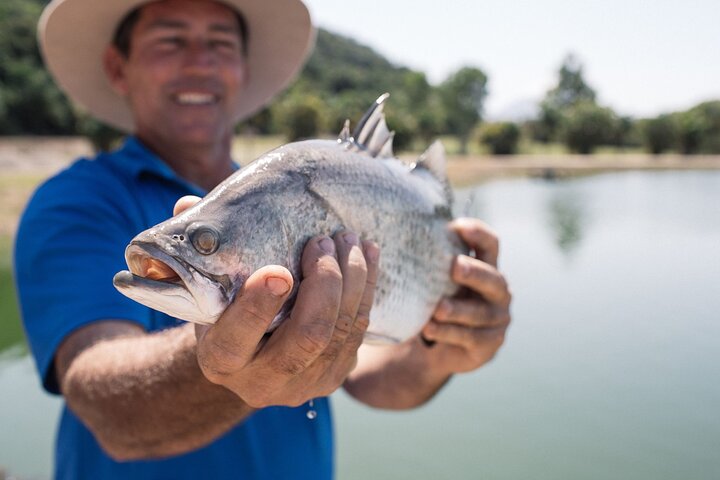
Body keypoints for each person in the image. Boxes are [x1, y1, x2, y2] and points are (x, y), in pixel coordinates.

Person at [14, 0, 512, 478]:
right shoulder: (75, 201)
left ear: (243, 70)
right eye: (170, 40)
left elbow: (371, 377)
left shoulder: (270, 190)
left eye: (221, 42)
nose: (200, 62)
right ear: (118, 67)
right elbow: (105, 405)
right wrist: (220, 359)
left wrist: (443, 350)